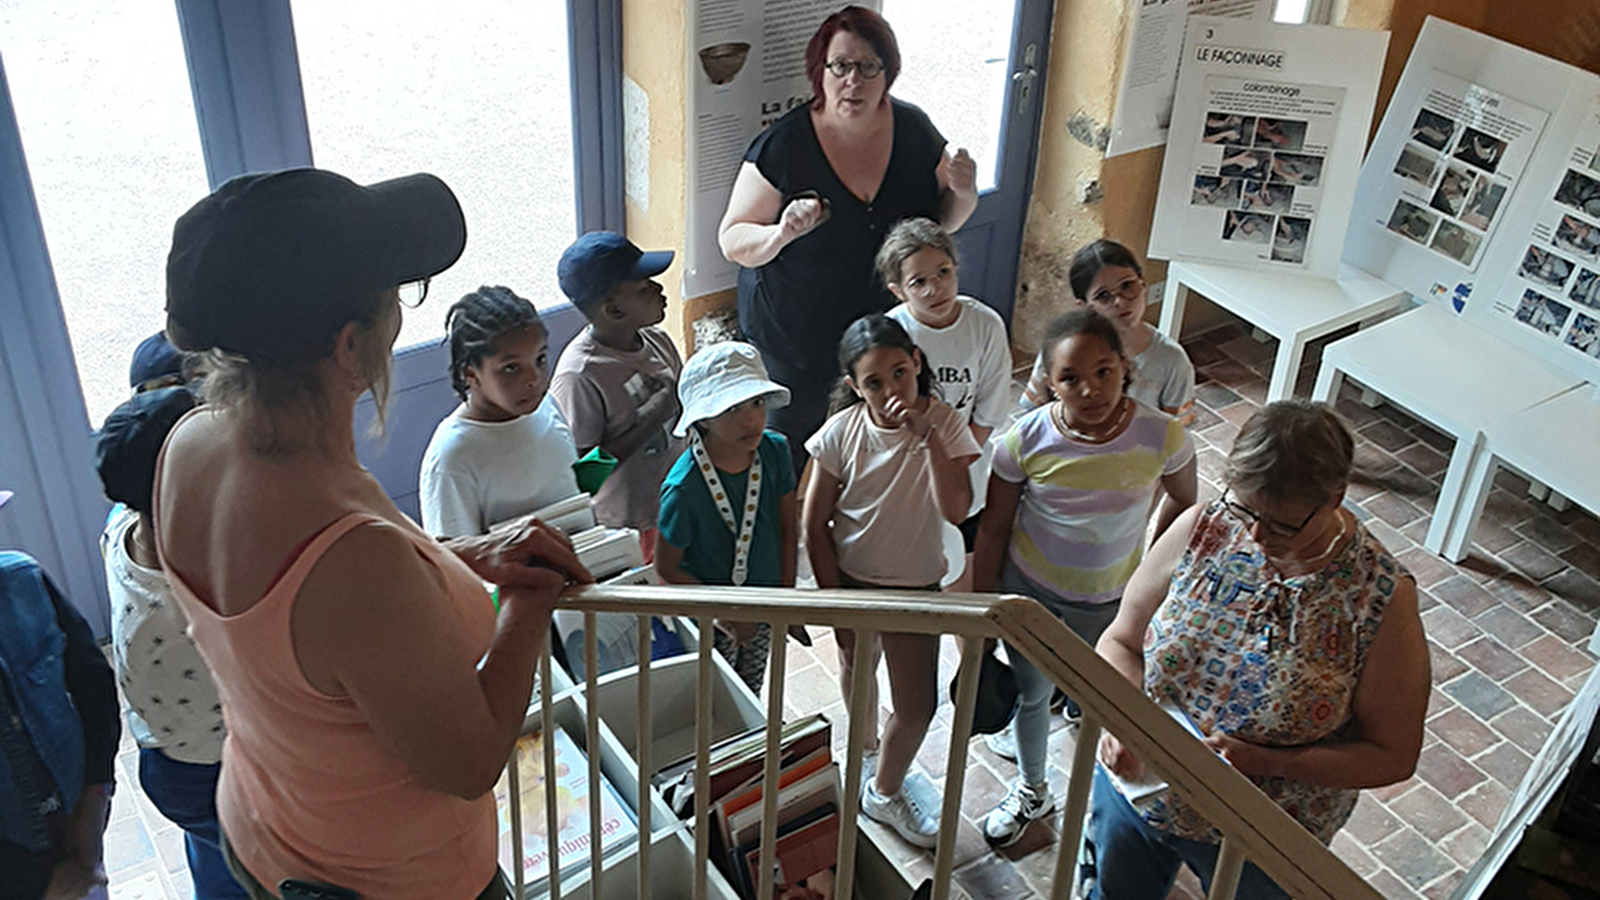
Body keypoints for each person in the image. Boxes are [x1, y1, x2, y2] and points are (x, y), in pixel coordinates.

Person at [158, 167, 590, 900]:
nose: (400, 318)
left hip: (264, 828)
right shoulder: (355, 559)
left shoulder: (192, 445)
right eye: (396, 298)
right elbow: (470, 761)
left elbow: (317, 630)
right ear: (351, 347)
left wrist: (461, 555)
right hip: (391, 880)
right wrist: (527, 602)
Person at [1089, 401, 1428, 900]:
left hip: (1261, 836)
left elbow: (1393, 755)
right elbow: (1120, 639)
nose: (1254, 534)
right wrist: (1128, 723)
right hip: (1138, 793)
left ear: (1335, 497)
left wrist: (1270, 762)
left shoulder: (1378, 597)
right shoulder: (1207, 525)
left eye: (1283, 523)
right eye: (1246, 508)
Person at [718, 5, 978, 474]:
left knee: (872, 445)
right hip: (796, 338)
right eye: (840, 66)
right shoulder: (786, 144)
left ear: (887, 73)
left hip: (879, 335)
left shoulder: (915, 131)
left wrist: (965, 192)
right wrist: (782, 233)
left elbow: (945, 225)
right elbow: (733, 240)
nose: (852, 81)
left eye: (867, 67)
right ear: (821, 70)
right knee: (797, 452)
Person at [973, 308, 1196, 850]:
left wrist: (1149, 570)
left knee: (1104, 705)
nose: (1090, 389)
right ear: (1050, 383)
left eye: (1103, 371)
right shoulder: (1024, 440)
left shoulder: (1161, 436)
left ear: (1125, 369)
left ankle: (1105, 811)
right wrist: (983, 609)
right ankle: (1031, 789)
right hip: (1033, 598)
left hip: (1110, 604)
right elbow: (995, 525)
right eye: (1070, 378)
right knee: (1032, 694)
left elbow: (1186, 503)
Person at [803, 315, 980, 848]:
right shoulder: (841, 432)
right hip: (856, 583)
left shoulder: (944, 424)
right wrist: (834, 604)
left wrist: (928, 441)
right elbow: (814, 522)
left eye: (900, 373)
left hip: (916, 588)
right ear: (855, 387)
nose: (890, 391)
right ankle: (866, 751)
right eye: (874, 382)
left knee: (918, 703)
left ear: (917, 365)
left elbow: (956, 508)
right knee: (859, 671)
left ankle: (881, 792)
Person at [96, 387, 248, 900]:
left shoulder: (118, 529)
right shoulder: (202, 592)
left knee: (211, 852)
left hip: (164, 760)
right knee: (250, 870)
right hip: (219, 770)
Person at [656, 341, 800, 692]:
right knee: (712, 696)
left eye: (756, 402)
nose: (751, 418)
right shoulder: (683, 488)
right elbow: (666, 569)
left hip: (765, 604)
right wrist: (727, 616)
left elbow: (787, 528)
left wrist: (787, 601)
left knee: (750, 689)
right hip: (709, 617)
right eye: (732, 408)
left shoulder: (775, 450)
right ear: (703, 418)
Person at [0, 492, 119, 900]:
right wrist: (36, 884)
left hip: (73, 827)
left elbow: (95, 688)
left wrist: (94, 795)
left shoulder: (24, 580)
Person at [880, 217, 1010, 578]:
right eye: (918, 282)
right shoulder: (893, 332)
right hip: (910, 474)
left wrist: (953, 468)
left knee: (963, 570)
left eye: (943, 273)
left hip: (968, 467)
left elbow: (989, 409)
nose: (934, 288)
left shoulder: (985, 325)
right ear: (898, 290)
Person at [550, 231, 685, 562]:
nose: (658, 288)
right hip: (629, 526)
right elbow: (583, 477)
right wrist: (651, 418)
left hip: (675, 502)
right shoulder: (580, 374)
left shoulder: (656, 341)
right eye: (643, 288)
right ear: (613, 310)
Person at [420, 285, 580, 538]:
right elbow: (456, 559)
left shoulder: (547, 406)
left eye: (540, 359)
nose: (535, 378)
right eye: (511, 368)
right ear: (470, 374)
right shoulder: (453, 456)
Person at [1022, 240, 1196, 427]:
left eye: (1127, 286)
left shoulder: (1171, 359)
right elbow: (1033, 413)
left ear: (1142, 282)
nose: (1120, 301)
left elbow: (1176, 432)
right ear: (1084, 306)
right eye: (1103, 296)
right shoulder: (1062, 349)